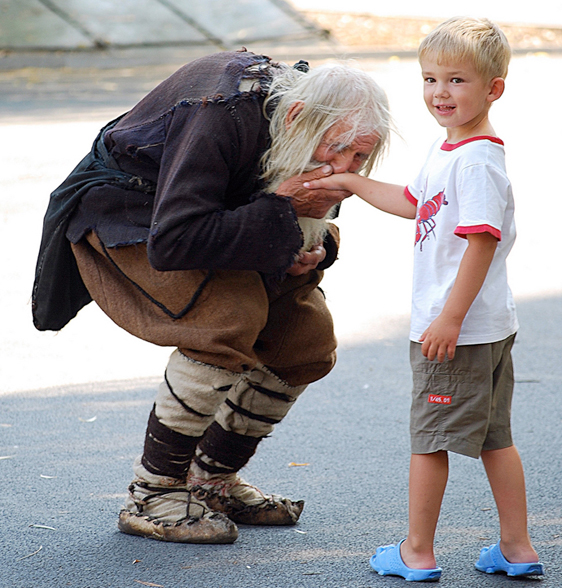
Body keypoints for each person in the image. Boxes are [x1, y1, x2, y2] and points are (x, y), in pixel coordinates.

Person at [31, 49, 391, 544]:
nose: (345, 171)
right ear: (296, 117)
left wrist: (313, 245)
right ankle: (152, 494)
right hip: (133, 213)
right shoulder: (220, 110)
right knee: (226, 319)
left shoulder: (306, 123)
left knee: (305, 340)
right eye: (339, 150)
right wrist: (280, 219)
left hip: (213, 219)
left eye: (360, 157)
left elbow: (292, 208)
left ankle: (212, 481)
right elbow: (176, 239)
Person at [305, 17, 544, 581]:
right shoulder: (451, 150)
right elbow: (416, 202)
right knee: (494, 439)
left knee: (429, 441)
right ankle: (517, 548)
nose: (440, 92)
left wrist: (448, 318)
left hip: (457, 329)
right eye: (431, 79)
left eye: (457, 80)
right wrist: (352, 185)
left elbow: (481, 241)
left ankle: (417, 552)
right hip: (481, 327)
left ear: (494, 89)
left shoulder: (477, 160)